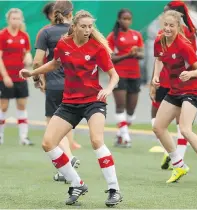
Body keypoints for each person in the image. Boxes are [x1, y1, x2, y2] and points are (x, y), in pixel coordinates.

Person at [19, 9, 122, 206]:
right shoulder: (64, 44)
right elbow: (55, 63)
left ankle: (114, 189)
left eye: (90, 26)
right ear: (73, 27)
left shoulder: (97, 48)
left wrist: (108, 89)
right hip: (70, 102)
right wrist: (33, 73)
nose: (87, 30)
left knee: (96, 140)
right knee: (48, 143)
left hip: (94, 101)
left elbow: (113, 75)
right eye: (83, 26)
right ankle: (77, 183)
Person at [152, 10, 197, 185]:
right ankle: (179, 164)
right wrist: (155, 76)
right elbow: (158, 58)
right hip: (175, 91)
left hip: (192, 91)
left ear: (178, 27)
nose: (167, 28)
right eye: (165, 25)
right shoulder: (159, 41)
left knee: (185, 129)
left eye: (171, 26)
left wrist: (190, 74)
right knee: (158, 128)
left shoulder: (183, 45)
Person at [34, 1, 81, 182]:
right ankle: (65, 167)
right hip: (76, 86)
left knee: (52, 129)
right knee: (66, 126)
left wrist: (38, 79)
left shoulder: (45, 32)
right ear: (72, 13)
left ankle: (68, 160)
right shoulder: (80, 30)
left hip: (54, 86)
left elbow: (38, 61)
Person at [149, 1, 197, 170]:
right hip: (170, 79)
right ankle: (176, 154)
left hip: (176, 81)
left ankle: (174, 155)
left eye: (166, 12)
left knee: (176, 121)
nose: (163, 16)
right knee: (179, 122)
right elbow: (159, 58)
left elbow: (191, 59)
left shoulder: (179, 35)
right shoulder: (172, 33)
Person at [107, 9, 144, 148]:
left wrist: (136, 53)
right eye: (124, 19)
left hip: (135, 75)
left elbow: (141, 55)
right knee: (120, 106)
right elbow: (111, 58)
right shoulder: (112, 37)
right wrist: (127, 55)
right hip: (119, 75)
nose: (126, 21)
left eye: (129, 19)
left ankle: (120, 135)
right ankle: (127, 138)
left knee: (131, 110)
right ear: (119, 19)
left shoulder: (137, 35)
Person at [0, 8, 33, 145]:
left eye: (18, 18)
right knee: (4, 106)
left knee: (21, 105)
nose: (16, 21)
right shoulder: (2, 35)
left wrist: (28, 58)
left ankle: (23, 138)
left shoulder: (24, 36)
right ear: (9, 20)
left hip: (20, 78)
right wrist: (5, 76)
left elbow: (28, 53)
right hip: (5, 78)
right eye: (13, 18)